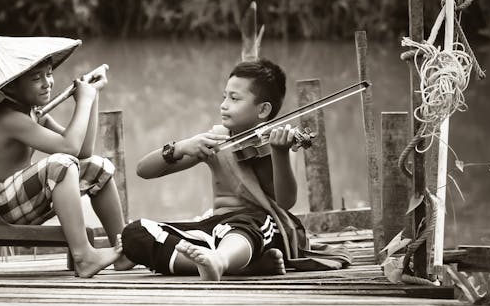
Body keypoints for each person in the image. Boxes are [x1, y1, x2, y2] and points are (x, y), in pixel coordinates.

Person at [121, 58, 351, 281]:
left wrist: (280, 153)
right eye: (224, 97)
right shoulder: (215, 141)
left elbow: (286, 201)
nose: (223, 105)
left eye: (234, 98)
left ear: (262, 110)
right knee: (135, 233)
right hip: (216, 228)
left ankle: (221, 261)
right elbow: (144, 170)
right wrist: (181, 147)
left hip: (261, 228)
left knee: (247, 225)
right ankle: (235, 267)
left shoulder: (278, 143)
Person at [0, 36, 133, 278]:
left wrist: (91, 96)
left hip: (18, 202)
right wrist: (84, 101)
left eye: (48, 74)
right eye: (36, 78)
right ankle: (84, 256)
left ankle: (126, 251)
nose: (47, 83)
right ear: (11, 87)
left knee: (98, 167)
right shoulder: (8, 118)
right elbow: (68, 149)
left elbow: (83, 152)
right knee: (61, 165)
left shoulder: (34, 114)